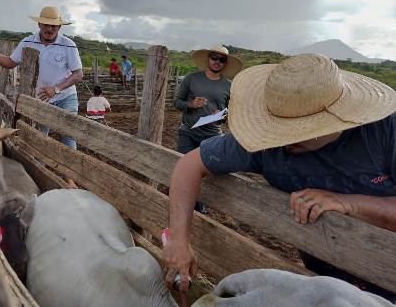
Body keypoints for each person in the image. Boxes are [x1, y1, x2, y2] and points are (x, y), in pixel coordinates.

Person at [163, 53, 396, 299]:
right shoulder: (265, 143)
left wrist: (348, 203)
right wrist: (178, 240)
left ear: (332, 120)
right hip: (322, 280)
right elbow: (189, 165)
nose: (284, 140)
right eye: (279, 128)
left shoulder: (384, 132)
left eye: (296, 131)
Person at [0, 6, 83, 150]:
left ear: (59, 27)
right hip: (41, 98)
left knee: (68, 136)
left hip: (66, 97)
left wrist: (56, 89)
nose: (49, 29)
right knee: (38, 138)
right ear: (39, 24)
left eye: (53, 26)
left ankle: (71, 171)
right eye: (46, 25)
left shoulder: (68, 45)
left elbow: (78, 74)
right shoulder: (28, 42)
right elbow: (10, 62)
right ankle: (37, 168)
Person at [174, 45, 242, 154]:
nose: (217, 62)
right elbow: (177, 102)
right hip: (188, 133)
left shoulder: (229, 86)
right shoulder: (191, 78)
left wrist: (221, 115)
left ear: (225, 64)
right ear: (208, 59)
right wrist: (191, 104)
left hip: (213, 135)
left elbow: (231, 113)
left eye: (222, 60)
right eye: (214, 58)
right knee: (183, 164)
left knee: (208, 170)